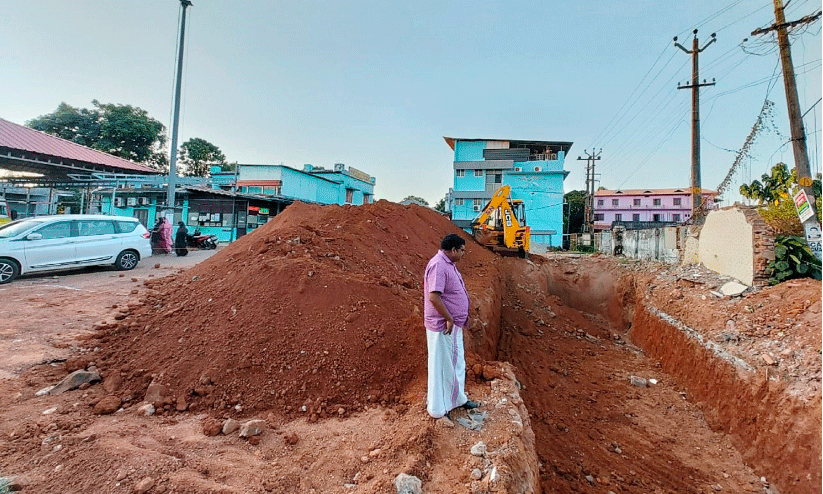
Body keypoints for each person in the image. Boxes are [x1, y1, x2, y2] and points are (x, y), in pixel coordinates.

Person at [423, 233, 480, 419]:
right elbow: (434, 297)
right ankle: (438, 410)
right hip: (442, 326)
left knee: (455, 363)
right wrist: (448, 318)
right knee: (441, 367)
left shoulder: (449, 264)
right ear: (453, 250)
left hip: (452, 325)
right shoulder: (439, 265)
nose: (464, 254)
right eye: (462, 250)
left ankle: (457, 399)